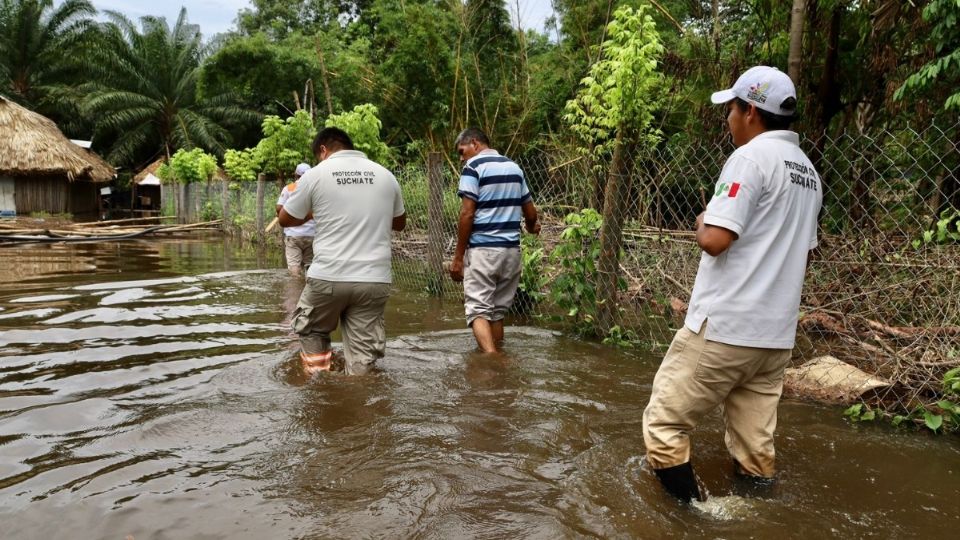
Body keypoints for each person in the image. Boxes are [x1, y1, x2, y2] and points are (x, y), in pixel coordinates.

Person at [641, 66, 823, 502]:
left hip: (725, 327)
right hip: (774, 337)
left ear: (751, 112)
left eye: (732, 109)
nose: (728, 119)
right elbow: (807, 251)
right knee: (754, 447)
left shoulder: (749, 158)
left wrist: (704, 218)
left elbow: (716, 240)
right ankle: (758, 516)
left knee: (664, 427)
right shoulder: (808, 173)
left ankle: (696, 520)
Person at [279, 127, 406, 375]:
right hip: (374, 279)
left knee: (312, 329)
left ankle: (320, 384)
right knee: (362, 359)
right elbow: (400, 223)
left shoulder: (315, 175)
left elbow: (285, 218)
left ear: (323, 150)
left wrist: (315, 211)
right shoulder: (385, 175)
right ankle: (359, 393)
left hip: (329, 276)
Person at [448, 128, 540, 353]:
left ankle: (492, 360)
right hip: (511, 253)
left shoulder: (474, 168)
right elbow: (530, 212)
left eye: (462, 151)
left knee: (478, 310)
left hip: (483, 250)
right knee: (497, 313)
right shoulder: (514, 168)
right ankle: (499, 370)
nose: (461, 159)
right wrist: (530, 227)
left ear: (475, 143)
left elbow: (467, 214)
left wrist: (458, 257)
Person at [276, 163, 316, 276]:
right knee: (310, 265)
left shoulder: (289, 188)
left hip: (293, 234)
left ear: (296, 175)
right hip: (312, 234)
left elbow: (279, 208)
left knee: (294, 266)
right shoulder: (315, 188)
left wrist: (282, 212)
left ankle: (295, 288)